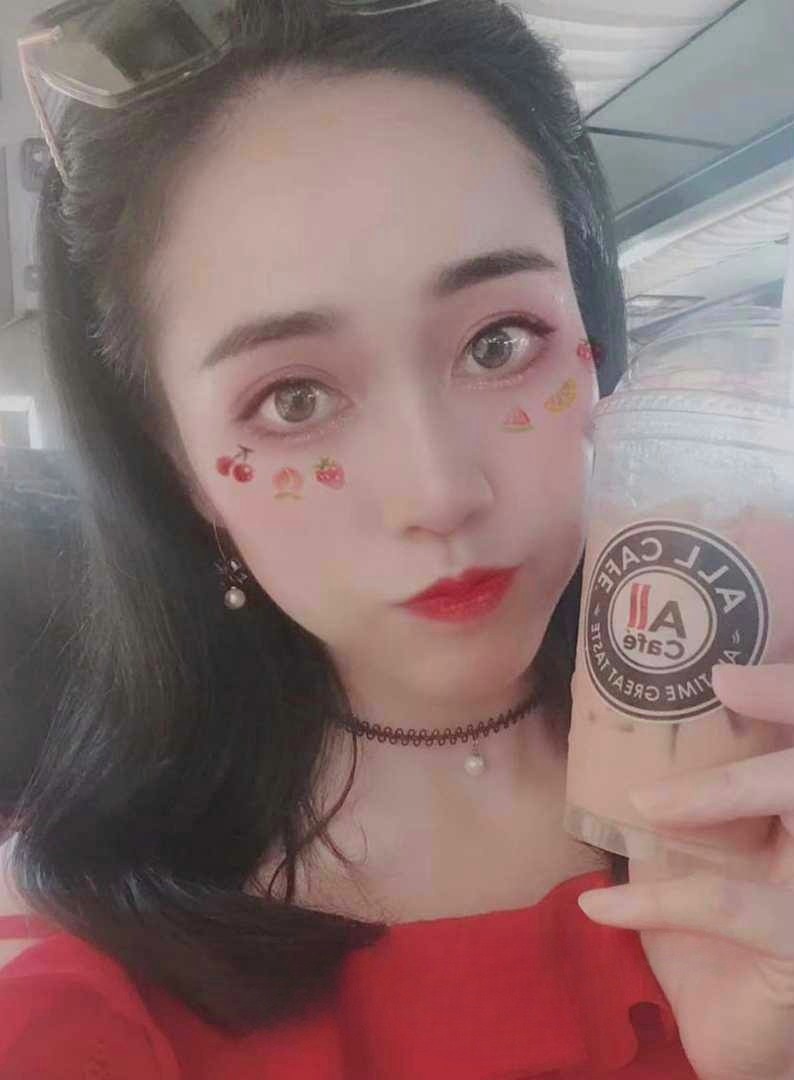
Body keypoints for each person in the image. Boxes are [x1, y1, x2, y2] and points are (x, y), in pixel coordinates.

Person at [0, 1, 699, 1076]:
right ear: (178, 463)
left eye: (499, 341)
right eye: (293, 399)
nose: (439, 492)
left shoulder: (748, 733)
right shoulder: (74, 968)